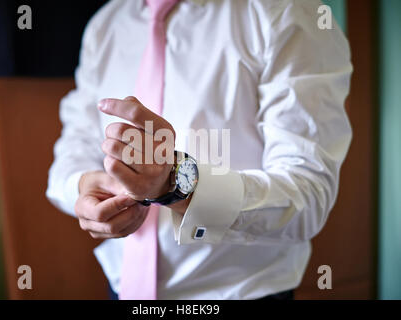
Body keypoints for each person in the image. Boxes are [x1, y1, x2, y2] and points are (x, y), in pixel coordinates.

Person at [46, 0, 352, 300]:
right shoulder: (106, 24)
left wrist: (174, 185)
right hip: (121, 288)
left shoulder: (287, 12)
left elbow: (308, 196)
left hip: (240, 292)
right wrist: (84, 188)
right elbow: (74, 148)